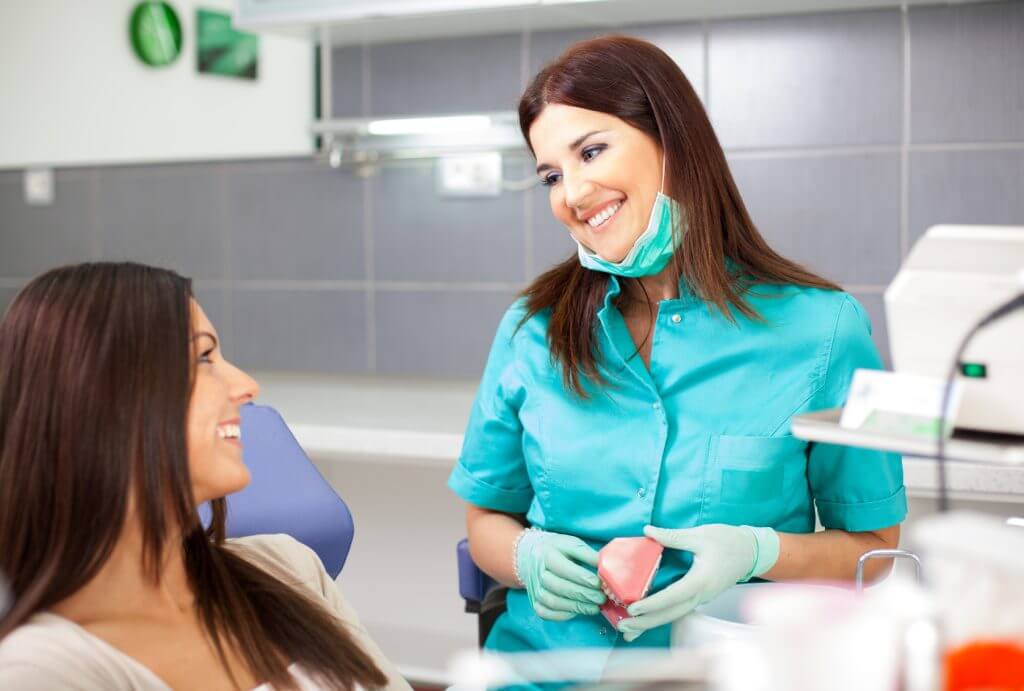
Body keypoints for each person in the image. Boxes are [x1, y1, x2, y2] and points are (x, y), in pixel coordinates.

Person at [448, 35, 906, 672]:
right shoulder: (533, 329)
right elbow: (486, 519)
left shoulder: (826, 329)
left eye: (591, 151)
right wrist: (526, 557)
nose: (572, 194)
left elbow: (876, 553)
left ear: (673, 140)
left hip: (733, 673)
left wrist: (758, 553)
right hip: (545, 674)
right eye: (552, 175)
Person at [0, 262, 410, 691]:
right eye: (203, 356)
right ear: (102, 399)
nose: (246, 385)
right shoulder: (44, 669)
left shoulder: (289, 568)